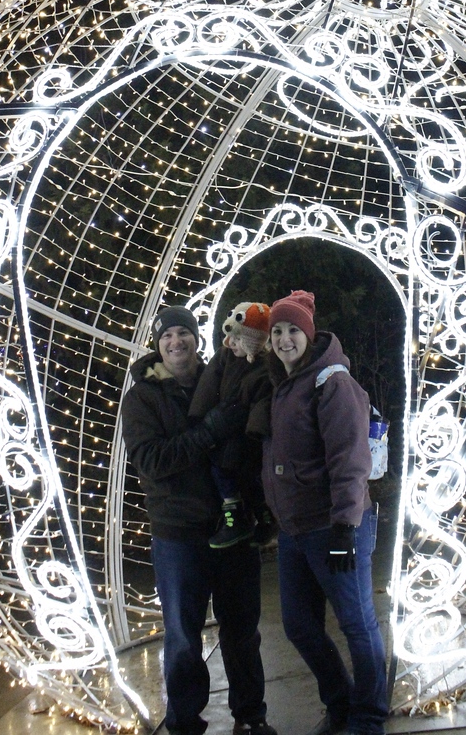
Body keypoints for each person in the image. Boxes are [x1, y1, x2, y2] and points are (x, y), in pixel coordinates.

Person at [121, 306, 277, 735]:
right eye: (167, 335)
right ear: (158, 344)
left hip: (234, 528)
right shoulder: (142, 398)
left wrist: (260, 507)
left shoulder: (221, 378)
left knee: (242, 631)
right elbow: (152, 461)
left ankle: (252, 717)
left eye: (183, 333)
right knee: (184, 638)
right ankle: (185, 723)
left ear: (196, 338)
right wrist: (208, 431)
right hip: (179, 535)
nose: (176, 342)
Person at [262, 291, 388, 735]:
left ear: (309, 334)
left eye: (293, 330)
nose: (284, 339)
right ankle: (341, 704)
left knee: (356, 623)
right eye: (277, 331)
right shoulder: (283, 383)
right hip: (295, 529)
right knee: (298, 625)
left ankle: (368, 719)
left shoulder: (332, 383)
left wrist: (345, 526)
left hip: (334, 524)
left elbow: (350, 460)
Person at [189, 302, 276, 548]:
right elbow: (208, 385)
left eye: (238, 340)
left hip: (244, 437)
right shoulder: (224, 357)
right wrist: (200, 414)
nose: (230, 343)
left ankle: (260, 516)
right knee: (222, 471)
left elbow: (263, 402)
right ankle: (238, 514)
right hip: (222, 431)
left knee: (247, 478)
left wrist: (255, 431)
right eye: (230, 337)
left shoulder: (264, 368)